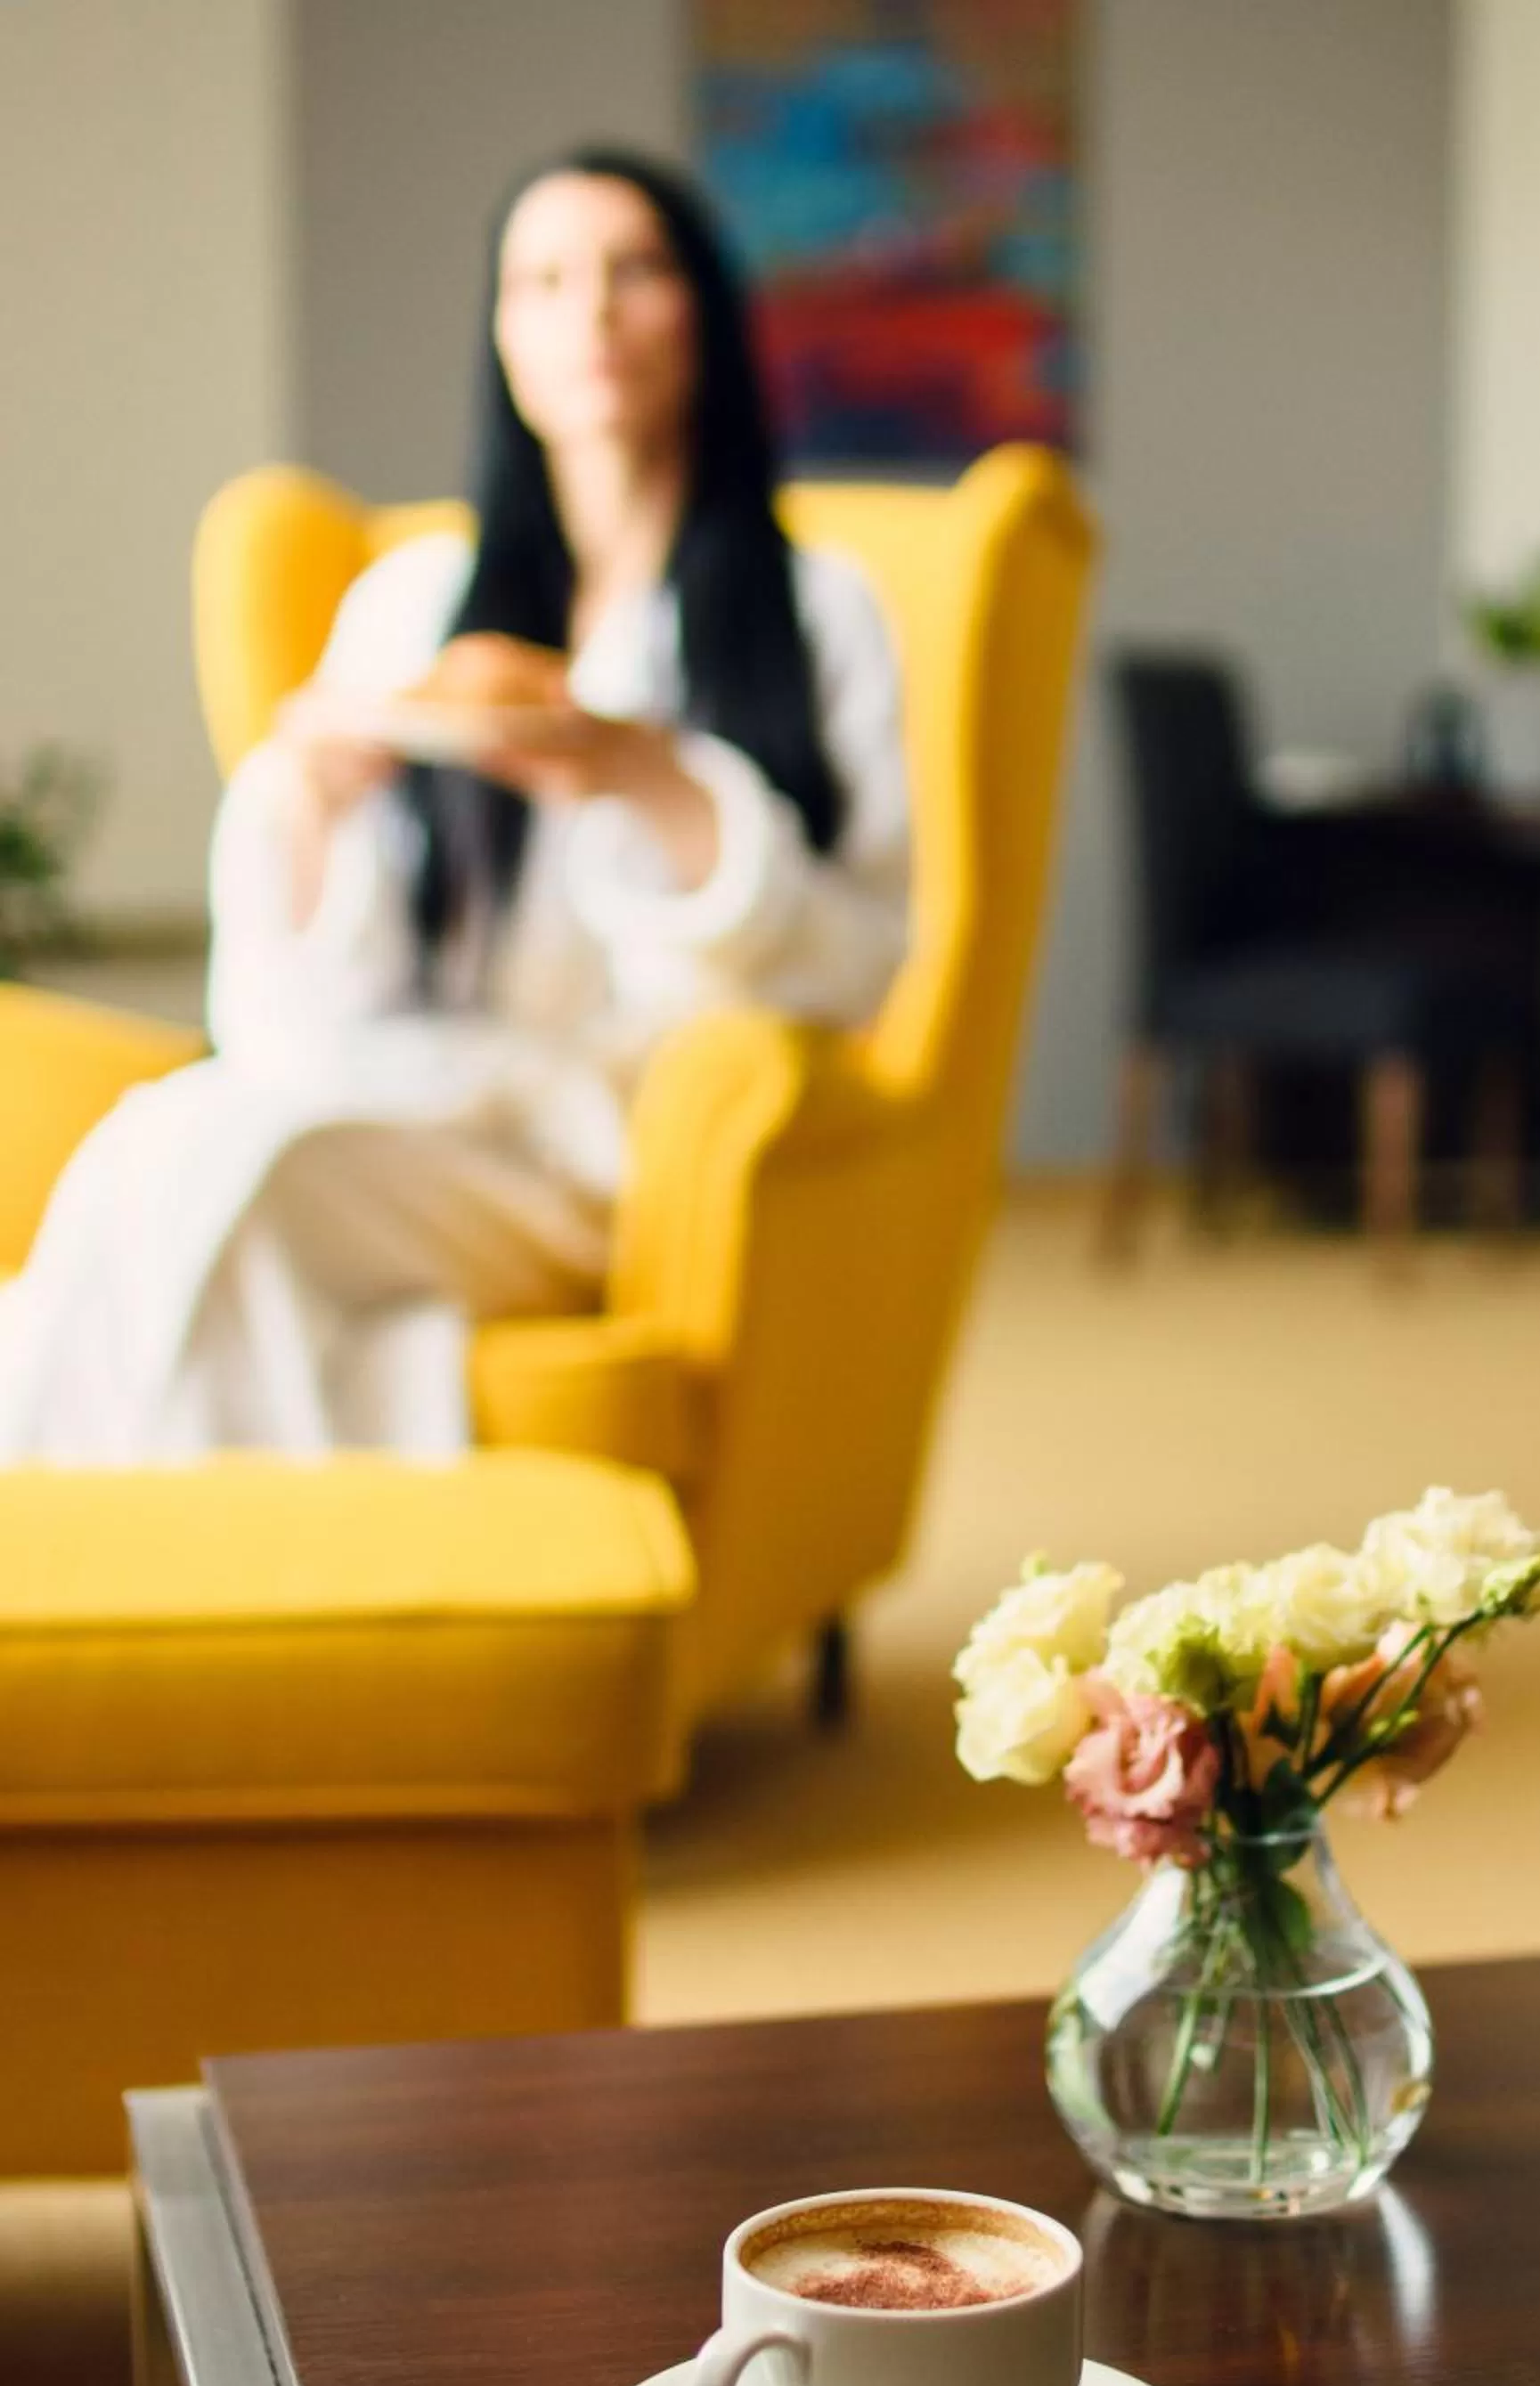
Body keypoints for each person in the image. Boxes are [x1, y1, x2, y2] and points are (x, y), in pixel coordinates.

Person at [0, 151, 908, 1462]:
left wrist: (640, 773)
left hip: (598, 1155)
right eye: (543, 280)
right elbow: (283, 1007)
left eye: (633, 270)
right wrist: (310, 793)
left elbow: (865, 956)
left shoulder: (819, 614)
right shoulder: (415, 604)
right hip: (393, 1093)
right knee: (171, 1145)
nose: (588, 311)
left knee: (222, 1167)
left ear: (700, 308)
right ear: (502, 333)